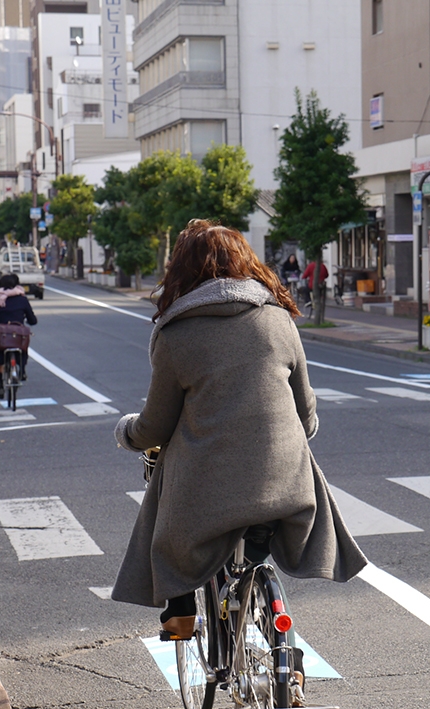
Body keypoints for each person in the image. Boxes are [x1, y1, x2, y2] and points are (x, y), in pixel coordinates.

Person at [112, 219, 367, 644]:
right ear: (246, 262)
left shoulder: (177, 332)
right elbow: (306, 414)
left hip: (208, 490)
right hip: (285, 484)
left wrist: (127, 432)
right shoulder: (277, 318)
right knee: (268, 517)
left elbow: (156, 425)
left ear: (182, 269)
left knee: (165, 476)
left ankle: (179, 610)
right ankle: (289, 660)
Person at [0, 273, 37, 398]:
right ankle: (22, 371)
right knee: (23, 348)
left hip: (1, 338)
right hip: (18, 336)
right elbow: (32, 319)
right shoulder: (22, 300)